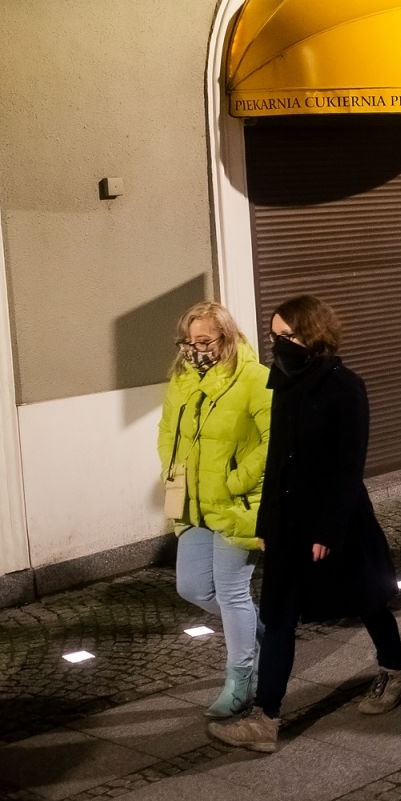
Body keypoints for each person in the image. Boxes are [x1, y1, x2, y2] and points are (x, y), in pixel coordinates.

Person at [210, 296, 401, 754]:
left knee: (367, 600)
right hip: (286, 520)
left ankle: (395, 669)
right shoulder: (283, 382)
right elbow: (277, 456)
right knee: (278, 614)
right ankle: (265, 718)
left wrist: (328, 530)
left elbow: (348, 465)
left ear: (312, 336)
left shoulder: (345, 386)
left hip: (334, 520)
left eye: (288, 336)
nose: (279, 344)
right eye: (275, 335)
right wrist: (266, 521)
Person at [158, 301, 271, 719]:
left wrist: (238, 480)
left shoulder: (254, 378)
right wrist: (172, 472)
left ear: (226, 338)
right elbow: (168, 430)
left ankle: (241, 681)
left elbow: (275, 439)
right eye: (189, 341)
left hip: (239, 504)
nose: (195, 349)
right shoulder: (183, 380)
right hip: (193, 503)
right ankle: (266, 636)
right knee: (192, 588)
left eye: (204, 341)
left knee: (231, 591)